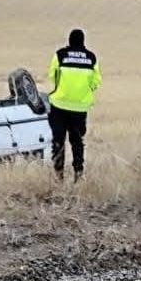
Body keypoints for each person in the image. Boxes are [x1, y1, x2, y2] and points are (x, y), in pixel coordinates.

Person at [46, 28, 102, 182]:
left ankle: (59, 176)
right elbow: (96, 82)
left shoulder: (60, 55)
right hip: (80, 108)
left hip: (59, 105)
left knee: (58, 141)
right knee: (77, 142)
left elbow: (52, 75)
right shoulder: (91, 58)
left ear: (69, 40)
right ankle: (78, 173)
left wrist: (63, 89)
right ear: (83, 41)